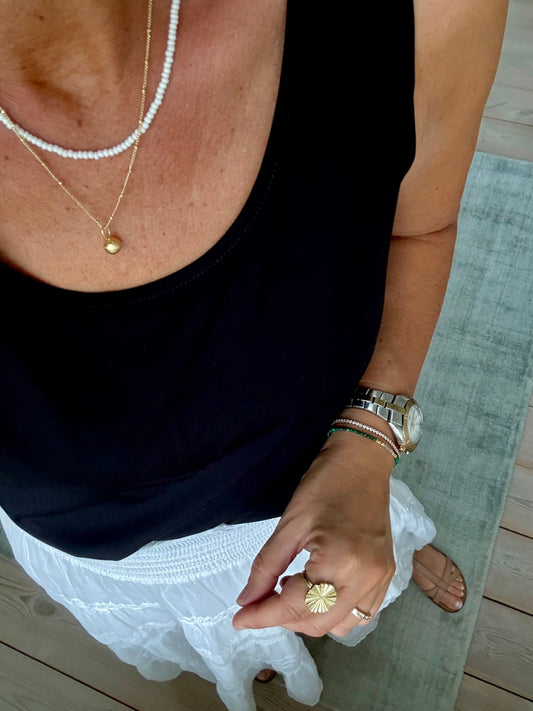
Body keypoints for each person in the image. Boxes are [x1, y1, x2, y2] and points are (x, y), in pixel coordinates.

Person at [0, 1, 506, 709]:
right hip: (99, 555)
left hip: (322, 469)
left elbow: (418, 226)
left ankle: (387, 541)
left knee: (366, 555)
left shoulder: (431, 11)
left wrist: (369, 444)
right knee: (231, 638)